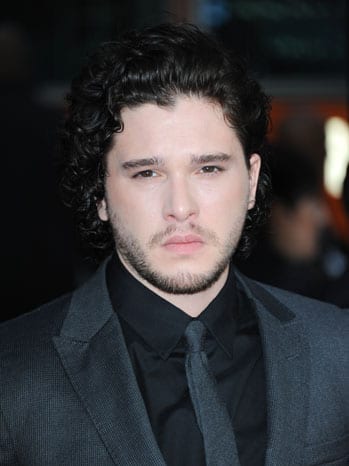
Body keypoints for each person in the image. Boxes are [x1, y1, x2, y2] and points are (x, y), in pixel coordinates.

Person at [0, 22, 348, 466]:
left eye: (208, 169)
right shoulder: (12, 377)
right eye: (147, 173)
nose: (180, 207)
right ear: (99, 195)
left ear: (252, 181)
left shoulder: (338, 350)